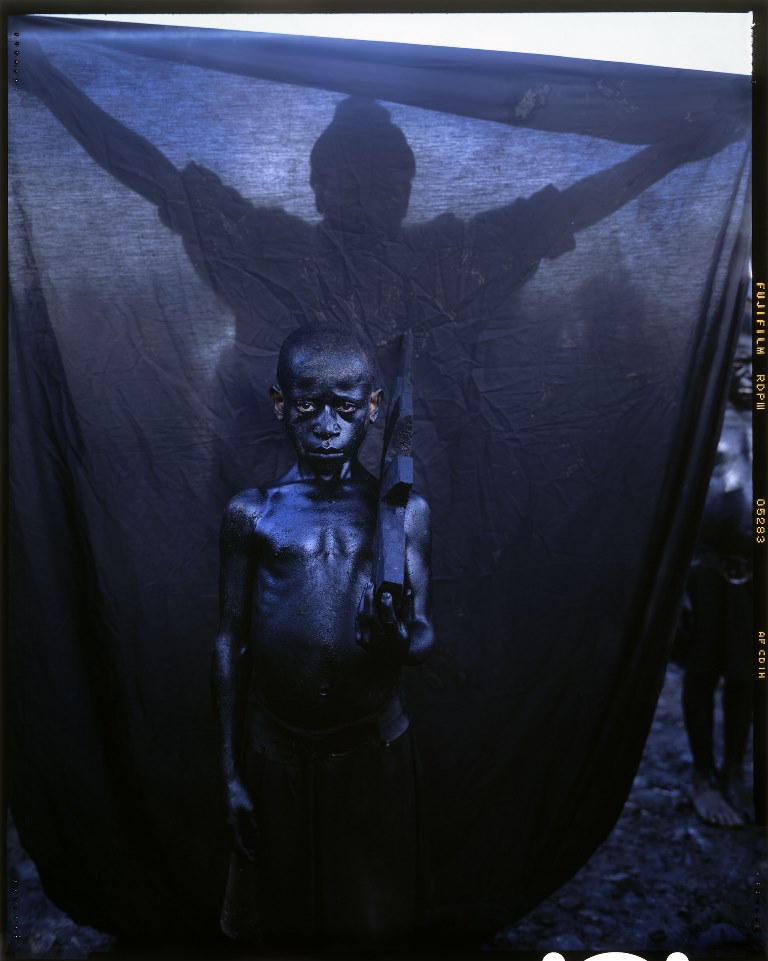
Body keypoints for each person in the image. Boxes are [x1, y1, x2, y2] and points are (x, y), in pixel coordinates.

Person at [20, 35, 745, 495]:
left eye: (383, 174)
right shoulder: (268, 246)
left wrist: (675, 150)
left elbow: (568, 210)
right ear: (317, 182)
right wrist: (53, 85)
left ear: (406, 184)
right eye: (350, 173)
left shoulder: (441, 257)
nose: (368, 189)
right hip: (273, 500)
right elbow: (147, 171)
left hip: (403, 501)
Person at [211, 323, 435, 951]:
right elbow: (230, 642)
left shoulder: (402, 514)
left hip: (374, 749)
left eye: (345, 406)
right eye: (309, 405)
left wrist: (397, 641)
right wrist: (230, 775)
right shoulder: (253, 514)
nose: (327, 425)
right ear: (282, 403)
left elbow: (422, 634)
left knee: (372, 916)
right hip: (276, 749)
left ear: (374, 407)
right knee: (284, 916)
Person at [681, 333, 753, 827]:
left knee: (748, 675)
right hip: (702, 566)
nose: (750, 372)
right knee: (703, 671)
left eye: (758, 361)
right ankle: (703, 777)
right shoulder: (702, 421)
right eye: (740, 362)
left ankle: (732, 773)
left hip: (754, 571)